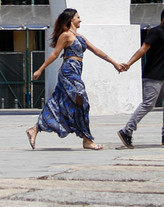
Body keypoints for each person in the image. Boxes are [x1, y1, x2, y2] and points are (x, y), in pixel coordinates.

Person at [26, 8, 125, 151]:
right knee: (82, 102)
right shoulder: (65, 36)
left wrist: (114, 63)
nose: (80, 20)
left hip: (76, 72)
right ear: (71, 19)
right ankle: (87, 140)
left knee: (61, 103)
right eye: (78, 17)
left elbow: (96, 51)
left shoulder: (80, 37)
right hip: (68, 72)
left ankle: (35, 129)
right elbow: (54, 54)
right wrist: (40, 69)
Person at [117, 5, 164, 148]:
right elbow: (143, 49)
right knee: (148, 104)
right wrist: (129, 63)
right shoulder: (156, 32)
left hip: (163, 77)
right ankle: (126, 131)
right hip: (153, 76)